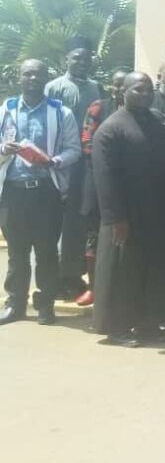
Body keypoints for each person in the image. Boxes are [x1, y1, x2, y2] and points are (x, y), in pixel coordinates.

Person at [91, 73, 165, 346]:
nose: (145, 94)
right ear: (123, 92)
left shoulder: (157, 120)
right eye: (138, 90)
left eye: (149, 90)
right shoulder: (110, 129)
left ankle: (146, 322)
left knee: (150, 269)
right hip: (125, 215)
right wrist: (115, 218)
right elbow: (104, 178)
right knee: (121, 272)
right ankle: (116, 328)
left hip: (156, 210)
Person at [0, 60, 81, 326]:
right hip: (13, 192)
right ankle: (16, 304)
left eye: (39, 74)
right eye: (28, 74)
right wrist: (4, 149)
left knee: (47, 252)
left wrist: (53, 161)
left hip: (47, 192)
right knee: (17, 251)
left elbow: (74, 150)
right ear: (20, 77)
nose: (33, 78)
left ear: (47, 79)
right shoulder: (6, 110)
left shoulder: (61, 112)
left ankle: (46, 305)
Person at [45, 36, 102, 300]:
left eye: (86, 57)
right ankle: (56, 278)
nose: (81, 61)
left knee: (79, 222)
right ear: (66, 58)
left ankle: (74, 276)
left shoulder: (96, 87)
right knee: (59, 223)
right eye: (76, 57)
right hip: (60, 163)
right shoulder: (53, 88)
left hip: (86, 165)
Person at [77, 68, 128, 307]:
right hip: (97, 180)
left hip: (127, 183)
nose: (120, 89)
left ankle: (117, 288)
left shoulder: (140, 111)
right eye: (116, 85)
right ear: (111, 86)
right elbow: (87, 143)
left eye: (124, 85)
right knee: (93, 236)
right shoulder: (98, 107)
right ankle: (93, 287)